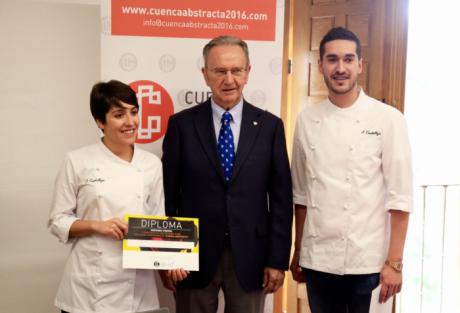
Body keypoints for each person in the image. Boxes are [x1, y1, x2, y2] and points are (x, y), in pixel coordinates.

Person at [161, 35, 293, 313]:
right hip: (191, 256)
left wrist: (277, 260)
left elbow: (281, 200)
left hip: (253, 257)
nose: (229, 79)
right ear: (205, 75)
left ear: (248, 73)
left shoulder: (270, 127)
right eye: (220, 71)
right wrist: (168, 256)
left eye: (237, 70)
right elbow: (167, 197)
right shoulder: (181, 125)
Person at [289, 27, 413, 313]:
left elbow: (401, 198)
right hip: (317, 260)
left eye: (348, 59)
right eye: (332, 59)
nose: (340, 68)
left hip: (367, 260)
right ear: (320, 65)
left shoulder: (388, 119)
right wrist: (299, 250)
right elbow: (301, 194)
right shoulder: (307, 119)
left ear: (360, 64)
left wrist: (395, 262)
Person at [48, 80, 187, 313]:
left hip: (137, 289)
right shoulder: (78, 160)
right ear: (100, 122)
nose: (130, 122)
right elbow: (57, 220)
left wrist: (171, 263)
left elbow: (157, 221)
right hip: (89, 289)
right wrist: (96, 225)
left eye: (134, 112)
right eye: (119, 114)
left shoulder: (151, 164)